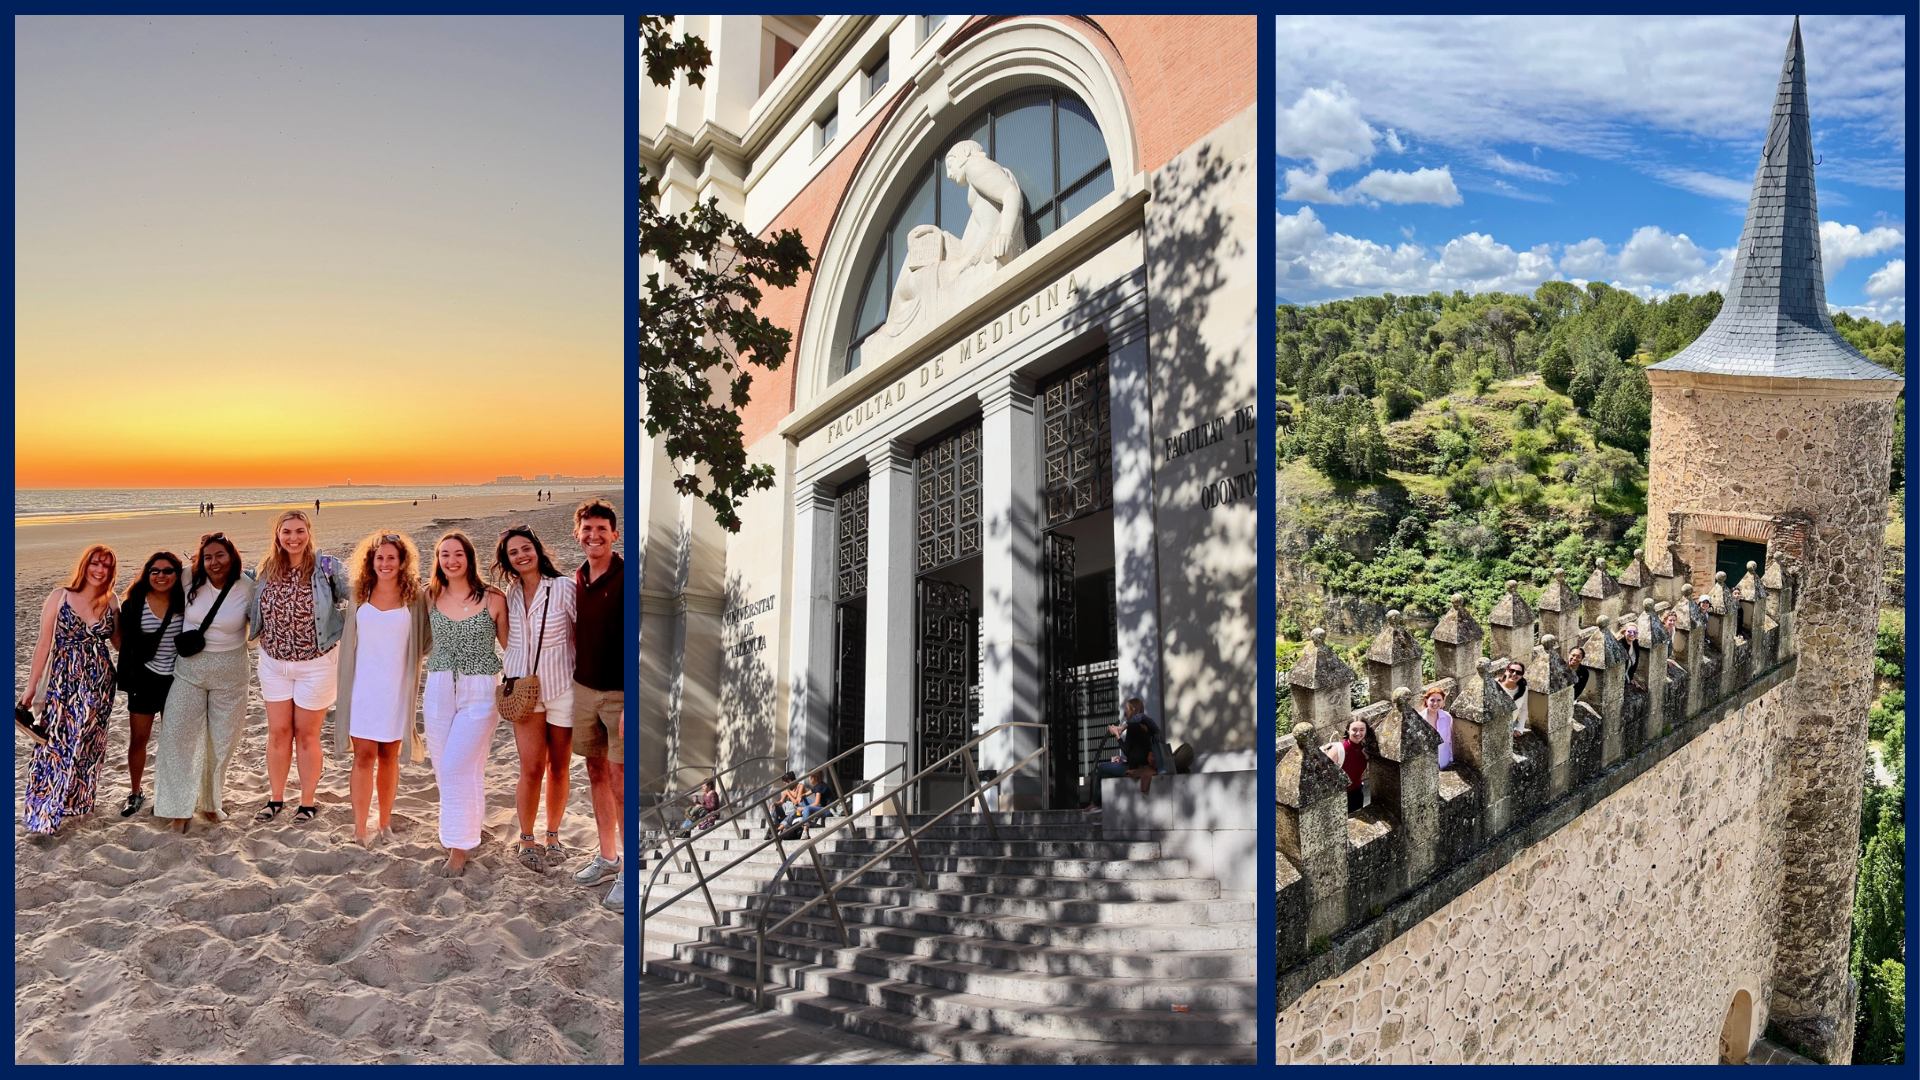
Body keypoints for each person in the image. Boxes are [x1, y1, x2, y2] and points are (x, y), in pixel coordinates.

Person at [249, 509, 350, 824]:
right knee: (279, 733)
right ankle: (275, 799)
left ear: (309, 532)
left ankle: (307, 802)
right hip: (273, 663)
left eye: (299, 531)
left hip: (316, 665)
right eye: (287, 532)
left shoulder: (327, 568)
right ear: (277, 535)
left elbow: (362, 591)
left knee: (306, 735)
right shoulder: (264, 570)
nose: (293, 538)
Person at [333, 531, 431, 848]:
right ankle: (360, 830)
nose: (386, 563)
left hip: (398, 689)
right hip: (362, 687)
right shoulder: (360, 595)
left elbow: (428, 638)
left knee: (389, 756)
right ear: (371, 562)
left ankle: (384, 824)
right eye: (380, 558)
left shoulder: (415, 598)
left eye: (392, 558)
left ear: (402, 562)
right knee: (363, 757)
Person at [492, 524, 578, 872]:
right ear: (508, 560)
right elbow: (506, 637)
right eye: (513, 552)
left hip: (562, 689)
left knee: (559, 767)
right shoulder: (508, 595)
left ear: (538, 550)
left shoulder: (564, 588)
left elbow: (581, 635)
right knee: (530, 768)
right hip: (524, 692)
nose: (521, 555)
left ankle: (553, 834)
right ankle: (526, 837)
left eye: (526, 548)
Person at [153, 533, 253, 832]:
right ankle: (178, 808)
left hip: (232, 671)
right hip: (190, 670)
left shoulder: (247, 587)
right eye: (208, 557)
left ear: (232, 556)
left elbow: (264, 622)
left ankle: (210, 803)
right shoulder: (188, 579)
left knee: (222, 741)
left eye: (220, 555)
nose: (214, 562)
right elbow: (155, 584)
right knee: (177, 737)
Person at [422, 532, 507, 877]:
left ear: (469, 558)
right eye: (444, 555)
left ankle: (458, 850)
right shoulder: (429, 595)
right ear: (438, 559)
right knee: (447, 767)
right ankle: (467, 828)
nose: (451, 560)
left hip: (482, 689)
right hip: (439, 685)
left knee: (459, 765)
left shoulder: (494, 599)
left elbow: (513, 648)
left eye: (458, 554)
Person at [19, 545, 120, 834]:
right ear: (85, 565)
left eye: (106, 566)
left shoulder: (111, 600)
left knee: (90, 744)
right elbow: (43, 643)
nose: (100, 570)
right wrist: (31, 686)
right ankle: (43, 810)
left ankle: (76, 805)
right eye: (96, 563)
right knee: (55, 745)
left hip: (100, 682)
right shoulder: (60, 596)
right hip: (64, 682)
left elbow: (119, 644)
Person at [567, 501, 625, 908]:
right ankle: (608, 857)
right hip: (584, 690)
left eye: (602, 529)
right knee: (595, 772)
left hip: (621, 694)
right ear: (578, 535)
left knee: (622, 783)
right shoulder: (578, 579)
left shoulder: (626, 577)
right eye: (588, 529)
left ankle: (630, 872)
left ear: (614, 534)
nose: (594, 535)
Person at [115, 551, 186, 817]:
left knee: (172, 741)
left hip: (176, 680)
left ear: (177, 574)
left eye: (168, 571)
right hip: (144, 680)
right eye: (154, 571)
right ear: (147, 574)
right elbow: (121, 639)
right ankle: (136, 793)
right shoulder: (134, 603)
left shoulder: (185, 602)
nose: (160, 576)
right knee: (139, 740)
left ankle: (170, 793)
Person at [1086, 697, 1156, 811]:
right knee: (1105, 777)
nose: (1125, 712)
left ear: (1133, 709)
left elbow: (1127, 751)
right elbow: (1138, 753)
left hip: (1134, 768)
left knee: (1102, 768)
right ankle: (1104, 810)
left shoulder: (1133, 727)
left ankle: (1095, 803)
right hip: (1141, 765)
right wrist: (1123, 760)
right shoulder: (1145, 726)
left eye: (1127, 708)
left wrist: (1117, 736)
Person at [1321, 717, 1370, 812]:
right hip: (1339, 796)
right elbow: (1326, 777)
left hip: (1357, 793)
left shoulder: (1365, 749)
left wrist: (1367, 758)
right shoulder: (1337, 750)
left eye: (1362, 730)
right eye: (1354, 730)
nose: (1358, 733)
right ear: (1348, 730)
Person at [1421, 688, 1455, 770]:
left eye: (1439, 700)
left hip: (1444, 762)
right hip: (1427, 765)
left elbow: (1450, 741)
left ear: (1443, 702)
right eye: (1432, 700)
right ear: (1426, 700)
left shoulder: (1447, 717)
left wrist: (1451, 759)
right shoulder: (1419, 719)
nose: (1435, 703)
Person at [1620, 625, 1642, 689]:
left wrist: (1631, 677)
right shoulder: (1621, 645)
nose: (1632, 634)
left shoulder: (1635, 643)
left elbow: (1635, 663)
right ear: (1624, 632)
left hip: (1627, 677)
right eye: (1629, 631)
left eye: (1635, 632)